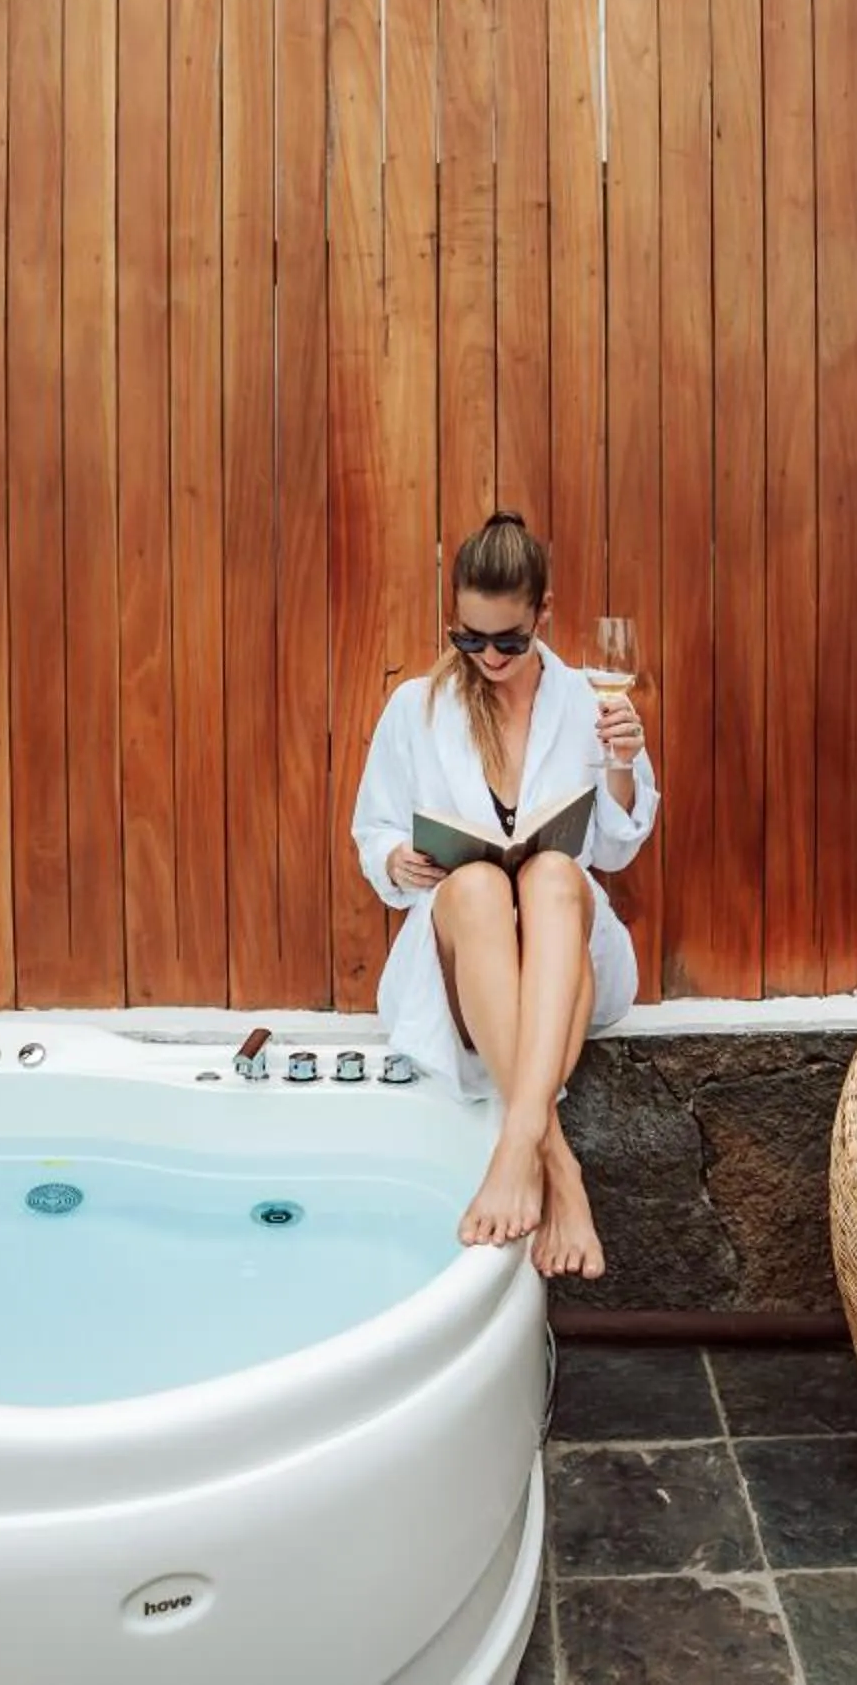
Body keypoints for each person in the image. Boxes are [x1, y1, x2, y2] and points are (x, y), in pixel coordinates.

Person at [349, 512, 658, 1278]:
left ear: (543, 614)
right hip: (468, 952)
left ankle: (519, 1146)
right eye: (470, 639)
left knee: (555, 873)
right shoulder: (415, 708)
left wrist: (622, 763)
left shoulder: (592, 703)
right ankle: (559, 1167)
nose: (489, 657)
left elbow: (615, 850)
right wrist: (398, 859)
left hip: (566, 952)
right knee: (482, 882)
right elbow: (373, 829)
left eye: (510, 641)